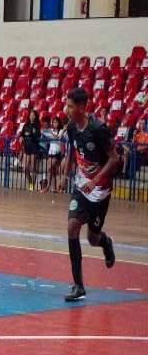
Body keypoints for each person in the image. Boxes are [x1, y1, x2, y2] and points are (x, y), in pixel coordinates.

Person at [58, 87, 119, 302]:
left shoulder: (98, 129)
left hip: (100, 191)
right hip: (81, 187)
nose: (66, 109)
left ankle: (106, 242)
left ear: (82, 107)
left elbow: (114, 159)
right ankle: (78, 286)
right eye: (66, 105)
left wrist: (95, 180)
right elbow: (74, 153)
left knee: (92, 238)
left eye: (70, 106)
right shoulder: (72, 128)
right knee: (72, 226)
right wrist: (65, 174)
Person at [41, 116, 66, 193]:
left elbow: (59, 138)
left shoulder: (62, 131)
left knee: (50, 168)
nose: (54, 124)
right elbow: (47, 138)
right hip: (50, 152)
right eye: (53, 122)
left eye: (56, 122)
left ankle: (49, 187)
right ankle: (53, 188)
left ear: (59, 123)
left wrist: (52, 133)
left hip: (57, 153)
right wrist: (43, 134)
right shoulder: (51, 130)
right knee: (52, 170)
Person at [19, 110, 41, 191]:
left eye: (33, 115)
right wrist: (21, 137)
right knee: (25, 168)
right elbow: (22, 134)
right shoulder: (26, 124)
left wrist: (30, 134)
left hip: (34, 147)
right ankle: (31, 182)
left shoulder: (37, 125)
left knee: (33, 168)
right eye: (30, 115)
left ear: (35, 116)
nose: (32, 116)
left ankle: (33, 185)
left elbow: (37, 135)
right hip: (27, 147)